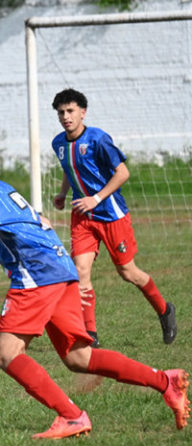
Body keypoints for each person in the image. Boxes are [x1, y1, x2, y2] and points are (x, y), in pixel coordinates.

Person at [0, 134, 189, 438]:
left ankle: (72, 416)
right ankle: (165, 381)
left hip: (36, 274)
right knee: (79, 357)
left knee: (7, 354)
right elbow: (37, 219)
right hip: (61, 267)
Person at [51, 88, 176, 347]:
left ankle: (165, 310)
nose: (66, 116)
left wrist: (96, 198)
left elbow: (122, 173)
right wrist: (63, 193)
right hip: (82, 216)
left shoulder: (98, 139)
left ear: (82, 112)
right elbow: (69, 168)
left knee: (128, 272)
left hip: (111, 215)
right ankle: (90, 335)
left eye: (71, 111)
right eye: (61, 112)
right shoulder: (58, 143)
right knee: (80, 272)